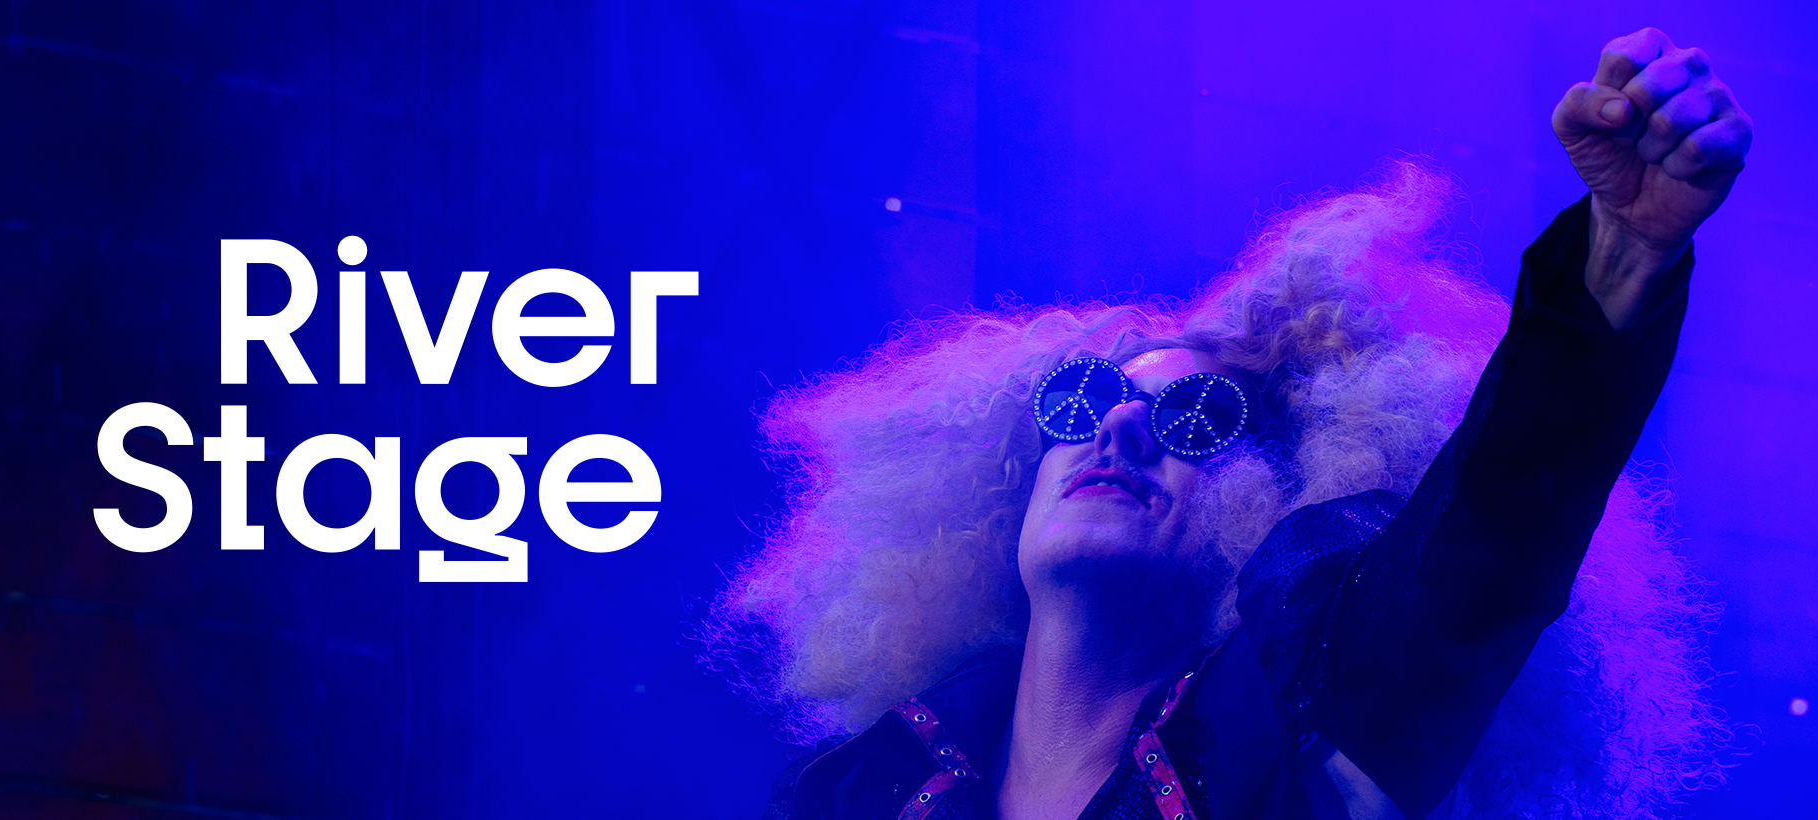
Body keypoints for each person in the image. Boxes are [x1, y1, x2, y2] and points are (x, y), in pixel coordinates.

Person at [703, 28, 1751, 820]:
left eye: (1196, 417)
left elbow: (1484, 544)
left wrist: (1622, 255)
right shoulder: (861, 786)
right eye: (1080, 402)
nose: (1119, 433)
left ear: (1270, 511)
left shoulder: (1293, 756)